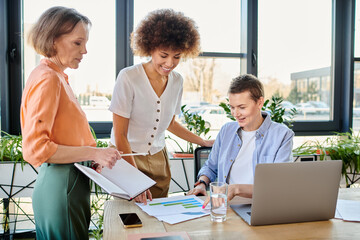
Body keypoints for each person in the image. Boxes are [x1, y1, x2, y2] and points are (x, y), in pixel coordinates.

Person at [21, 7, 121, 239]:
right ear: (53, 40)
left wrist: (95, 155)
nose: (84, 50)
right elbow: (37, 148)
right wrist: (94, 153)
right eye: (77, 43)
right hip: (63, 184)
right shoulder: (49, 79)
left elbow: (65, 136)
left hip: (68, 181)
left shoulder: (54, 76)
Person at [109, 9, 214, 202]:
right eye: (164, 55)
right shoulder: (128, 77)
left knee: (159, 216)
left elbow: (170, 123)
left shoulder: (177, 81)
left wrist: (203, 142)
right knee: (129, 217)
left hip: (158, 159)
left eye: (177, 56)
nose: (170, 63)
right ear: (149, 48)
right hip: (126, 157)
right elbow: (120, 135)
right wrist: (134, 180)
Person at [187, 74, 294, 204]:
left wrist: (235, 189)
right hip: (226, 206)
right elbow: (211, 166)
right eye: (232, 107)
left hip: (262, 206)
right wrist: (202, 183)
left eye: (242, 107)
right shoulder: (226, 131)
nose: (236, 114)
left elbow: (278, 185)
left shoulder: (282, 135)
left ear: (260, 102)